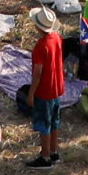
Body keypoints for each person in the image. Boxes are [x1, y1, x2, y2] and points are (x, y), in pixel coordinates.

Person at [26, 10, 68, 166]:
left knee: (44, 124)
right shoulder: (56, 37)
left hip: (44, 91)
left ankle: (45, 157)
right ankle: (54, 151)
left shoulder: (40, 46)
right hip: (57, 87)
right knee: (55, 121)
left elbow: (37, 73)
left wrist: (31, 93)